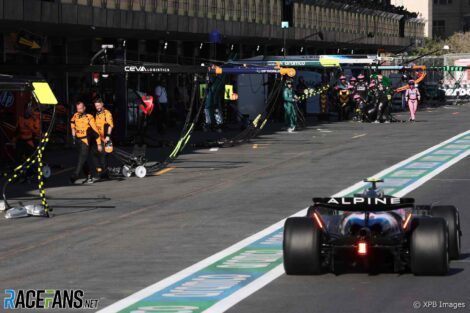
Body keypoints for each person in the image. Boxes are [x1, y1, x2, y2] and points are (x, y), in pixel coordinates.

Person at [70, 101, 102, 184]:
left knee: (81, 158)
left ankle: (75, 175)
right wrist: (73, 130)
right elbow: (72, 122)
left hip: (85, 141)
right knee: (83, 160)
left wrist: (99, 144)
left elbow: (96, 132)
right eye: (78, 109)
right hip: (77, 140)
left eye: (81, 108)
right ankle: (89, 176)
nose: (79, 110)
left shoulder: (89, 117)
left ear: (84, 108)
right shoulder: (75, 115)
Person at [93, 98, 114, 178]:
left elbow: (110, 125)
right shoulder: (97, 113)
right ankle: (101, 171)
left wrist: (108, 137)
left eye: (98, 105)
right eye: (96, 106)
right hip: (99, 138)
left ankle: (104, 174)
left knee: (103, 155)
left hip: (106, 138)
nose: (97, 107)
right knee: (94, 154)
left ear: (102, 104)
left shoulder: (107, 113)